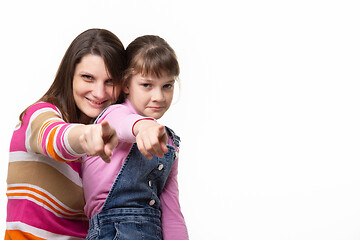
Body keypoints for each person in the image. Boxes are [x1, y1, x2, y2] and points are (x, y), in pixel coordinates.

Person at [5, 28, 134, 240]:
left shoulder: (111, 142)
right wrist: (86, 136)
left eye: (110, 81)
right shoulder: (39, 115)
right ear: (70, 76)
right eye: (88, 78)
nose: (99, 93)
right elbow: (56, 136)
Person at [82, 35, 189, 240]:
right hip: (113, 231)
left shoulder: (168, 142)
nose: (159, 96)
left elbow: (171, 209)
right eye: (147, 85)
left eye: (167, 85)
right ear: (126, 85)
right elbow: (124, 125)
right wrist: (143, 127)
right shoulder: (113, 115)